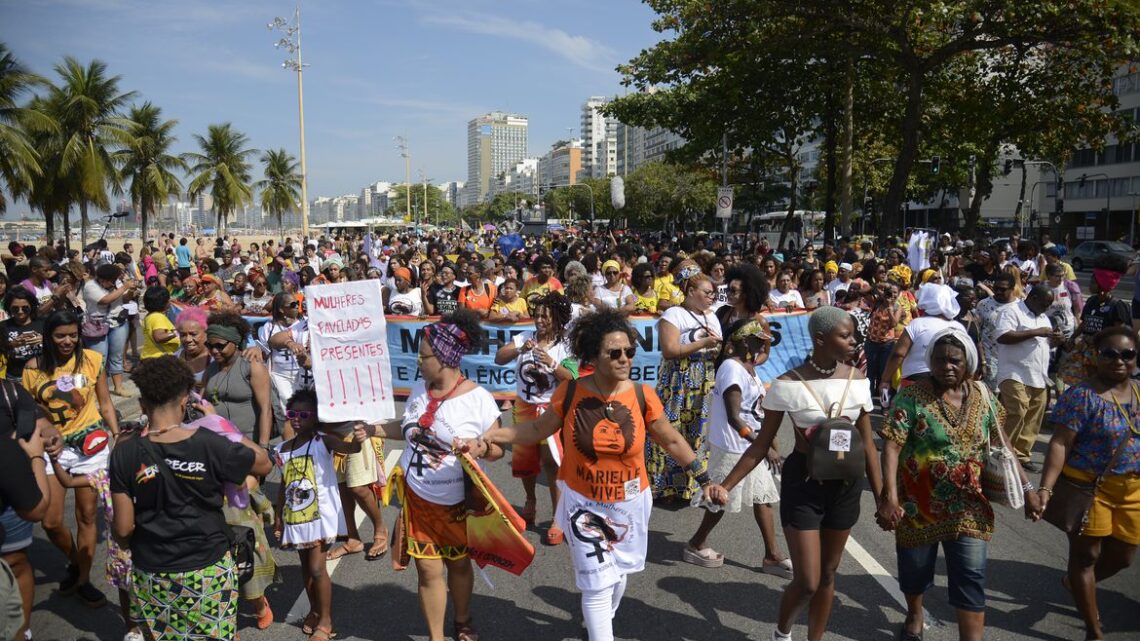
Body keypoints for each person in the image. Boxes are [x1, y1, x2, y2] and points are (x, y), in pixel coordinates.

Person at [472, 307, 707, 641]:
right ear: (593, 357)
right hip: (583, 503)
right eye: (615, 353)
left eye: (630, 351)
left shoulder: (643, 395)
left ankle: (602, 619)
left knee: (619, 574)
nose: (625, 359)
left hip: (630, 503)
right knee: (596, 584)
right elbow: (536, 428)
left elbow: (670, 438)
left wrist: (705, 479)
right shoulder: (570, 392)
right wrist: (492, 435)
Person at [705, 306, 884, 641]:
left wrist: (885, 498)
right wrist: (725, 485)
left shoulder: (859, 381)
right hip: (803, 484)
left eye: (852, 335)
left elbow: (870, 445)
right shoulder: (787, 385)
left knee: (828, 574)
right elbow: (760, 445)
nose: (853, 341)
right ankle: (782, 633)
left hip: (845, 485)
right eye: (845, 335)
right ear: (820, 339)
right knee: (807, 581)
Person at [878, 328, 1029, 641]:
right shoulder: (911, 395)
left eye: (954, 360)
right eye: (940, 360)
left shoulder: (985, 397)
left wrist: (1028, 489)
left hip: (970, 506)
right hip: (918, 505)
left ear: (968, 363)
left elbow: (1003, 444)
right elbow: (892, 445)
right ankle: (915, 613)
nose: (947, 366)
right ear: (930, 362)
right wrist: (890, 497)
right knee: (915, 572)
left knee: (971, 576)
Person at [109, 356, 271, 641]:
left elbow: (123, 529)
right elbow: (263, 463)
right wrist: (216, 421)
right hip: (207, 567)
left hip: (153, 570)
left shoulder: (124, 453)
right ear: (185, 399)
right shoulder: (211, 443)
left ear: (142, 403)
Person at [379, 309, 502, 641]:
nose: (419, 362)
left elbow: (498, 448)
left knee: (458, 565)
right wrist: (374, 429)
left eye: (424, 356)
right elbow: (405, 428)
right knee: (428, 570)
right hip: (419, 500)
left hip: (457, 504)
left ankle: (462, 620)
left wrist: (480, 448)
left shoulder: (479, 400)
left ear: (446, 358)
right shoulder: (419, 391)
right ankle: (436, 638)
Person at [1027, 326, 1140, 641]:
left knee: (1123, 557)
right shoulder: (1082, 396)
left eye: (1127, 354)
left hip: (1132, 490)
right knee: (1086, 557)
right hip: (1090, 490)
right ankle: (1094, 631)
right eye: (1110, 354)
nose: (1119, 361)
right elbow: (1060, 443)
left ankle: (1074, 582)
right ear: (1097, 356)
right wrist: (1046, 489)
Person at [22, 309, 119, 608]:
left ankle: (83, 579)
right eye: (60, 336)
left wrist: (116, 437)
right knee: (50, 521)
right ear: (48, 337)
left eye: (73, 335)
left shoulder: (92, 360)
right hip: (52, 449)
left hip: (91, 448)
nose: (67, 341)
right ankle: (76, 561)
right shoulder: (33, 368)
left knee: (87, 516)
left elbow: (104, 402)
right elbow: (29, 412)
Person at [684, 319, 791, 576]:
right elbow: (735, 417)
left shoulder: (748, 367)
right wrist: (764, 447)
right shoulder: (732, 368)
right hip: (734, 446)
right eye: (758, 338)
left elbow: (756, 414)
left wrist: (766, 444)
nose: (764, 342)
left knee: (762, 498)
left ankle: (772, 556)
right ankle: (696, 543)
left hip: (750, 446)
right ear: (743, 341)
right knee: (720, 498)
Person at [275, 389, 368, 641]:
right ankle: (315, 610)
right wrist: (277, 516)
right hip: (296, 518)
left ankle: (326, 622)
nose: (297, 419)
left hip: (321, 516)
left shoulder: (322, 441)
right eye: (292, 413)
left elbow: (350, 448)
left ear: (316, 417)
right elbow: (284, 485)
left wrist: (359, 439)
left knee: (317, 568)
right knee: (306, 569)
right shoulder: (282, 448)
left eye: (304, 414)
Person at [494, 292, 576, 545]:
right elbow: (499, 357)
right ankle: (530, 500)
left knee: (552, 463)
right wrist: (520, 347)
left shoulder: (565, 345)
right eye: (537, 315)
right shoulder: (524, 338)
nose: (539, 320)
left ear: (557, 319)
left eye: (545, 316)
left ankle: (557, 518)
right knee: (525, 462)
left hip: (551, 410)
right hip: (524, 408)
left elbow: (572, 379)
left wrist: (551, 363)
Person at [650, 273, 721, 501]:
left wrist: (714, 348)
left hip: (704, 379)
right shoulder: (674, 314)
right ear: (691, 292)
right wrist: (702, 342)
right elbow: (669, 350)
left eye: (713, 293)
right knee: (671, 429)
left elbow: (716, 347)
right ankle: (665, 486)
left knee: (698, 432)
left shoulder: (712, 316)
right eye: (707, 292)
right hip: (678, 379)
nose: (712, 297)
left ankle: (693, 486)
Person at [0, 388, 50, 641]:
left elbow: (36, 419)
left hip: (12, 499)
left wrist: (49, 433)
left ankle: (22, 631)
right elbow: (39, 508)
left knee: (16, 563)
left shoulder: (9, 391)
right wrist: (36, 457)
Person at [995, 284, 1060, 470]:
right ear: (1034, 298)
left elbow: (1046, 345)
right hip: (1014, 372)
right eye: (1046, 303)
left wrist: (1055, 340)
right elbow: (1003, 336)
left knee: (1033, 417)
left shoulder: (1044, 318)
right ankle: (1002, 452)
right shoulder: (1012, 311)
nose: (1047, 307)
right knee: (1018, 409)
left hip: (1038, 375)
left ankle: (1022, 456)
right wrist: (1036, 332)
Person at [878, 284, 961, 403]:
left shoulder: (917, 324)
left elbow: (898, 354)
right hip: (947, 388)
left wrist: (885, 380)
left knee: (905, 420)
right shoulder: (957, 327)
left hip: (914, 385)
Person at [202, 311, 274, 447]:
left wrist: (263, 447)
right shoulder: (210, 369)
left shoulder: (252, 365)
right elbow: (202, 403)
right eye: (210, 346)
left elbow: (266, 410)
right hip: (216, 445)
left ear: (235, 342)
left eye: (220, 345)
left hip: (247, 444)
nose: (214, 351)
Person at [1059, 268, 1131, 388]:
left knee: (1100, 381)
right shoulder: (1092, 301)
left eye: (1093, 282)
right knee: (1078, 378)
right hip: (1086, 347)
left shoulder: (1116, 305)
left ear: (1102, 286)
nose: (1090, 285)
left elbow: (1119, 331)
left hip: (1103, 350)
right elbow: (1085, 322)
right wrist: (1073, 338)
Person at [80, 263, 137, 397]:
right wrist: (124, 287)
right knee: (99, 360)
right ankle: (98, 390)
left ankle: (118, 387)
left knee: (116, 356)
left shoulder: (117, 283)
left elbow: (122, 298)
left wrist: (131, 292)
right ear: (102, 279)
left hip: (117, 323)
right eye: (111, 281)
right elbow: (105, 300)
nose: (112, 283)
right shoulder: (90, 286)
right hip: (97, 326)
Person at [865, 281, 908, 395]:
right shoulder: (877, 302)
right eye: (890, 292)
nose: (892, 295)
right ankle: (869, 398)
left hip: (886, 345)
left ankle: (882, 400)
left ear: (898, 294)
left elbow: (894, 324)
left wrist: (889, 307)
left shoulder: (897, 308)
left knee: (883, 373)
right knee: (870, 372)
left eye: (895, 293)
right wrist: (879, 286)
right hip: (871, 342)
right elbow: (863, 292)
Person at [1, 288, 42, 382]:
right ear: (9, 308)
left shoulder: (43, 324)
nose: (20, 311)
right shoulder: (3, 326)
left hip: (40, 374)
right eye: (15, 308)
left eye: (25, 308)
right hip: (15, 378)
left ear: (31, 306)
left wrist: (45, 340)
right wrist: (12, 345)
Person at [174, 306, 210, 389]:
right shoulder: (174, 359)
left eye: (193, 334)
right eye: (183, 335)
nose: (188, 339)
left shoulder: (216, 359)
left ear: (206, 333)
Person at [140, 286, 179, 359]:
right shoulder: (158, 317)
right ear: (164, 302)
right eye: (168, 299)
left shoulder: (149, 316)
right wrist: (177, 332)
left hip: (150, 357)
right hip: (159, 360)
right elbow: (158, 337)